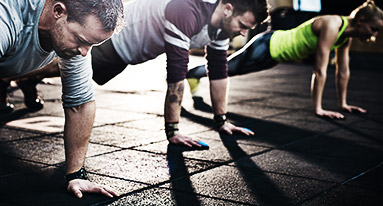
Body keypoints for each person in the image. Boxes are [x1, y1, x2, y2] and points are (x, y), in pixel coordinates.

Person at [10, 0, 270, 148]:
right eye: (243, 25)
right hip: (113, 40)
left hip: (130, 54)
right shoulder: (186, 11)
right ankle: (15, 76)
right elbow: (177, 74)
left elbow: (219, 71)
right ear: (227, 9)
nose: (244, 33)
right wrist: (173, 131)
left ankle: (27, 79)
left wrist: (221, 120)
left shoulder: (223, 29)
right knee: (61, 65)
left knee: (65, 71)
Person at [0, 0, 124, 198]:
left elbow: (81, 103)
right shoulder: (6, 17)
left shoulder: (74, 40)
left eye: (91, 45)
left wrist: (76, 174)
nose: (84, 52)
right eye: (81, 40)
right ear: (58, 11)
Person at [187, 0, 383, 119]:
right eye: (374, 29)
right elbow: (320, 69)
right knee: (227, 68)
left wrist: (343, 104)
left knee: (232, 69)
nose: (373, 35)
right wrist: (319, 109)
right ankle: (191, 74)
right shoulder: (332, 24)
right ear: (361, 21)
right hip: (268, 45)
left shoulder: (345, 36)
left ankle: (194, 75)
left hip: (273, 56)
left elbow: (343, 71)